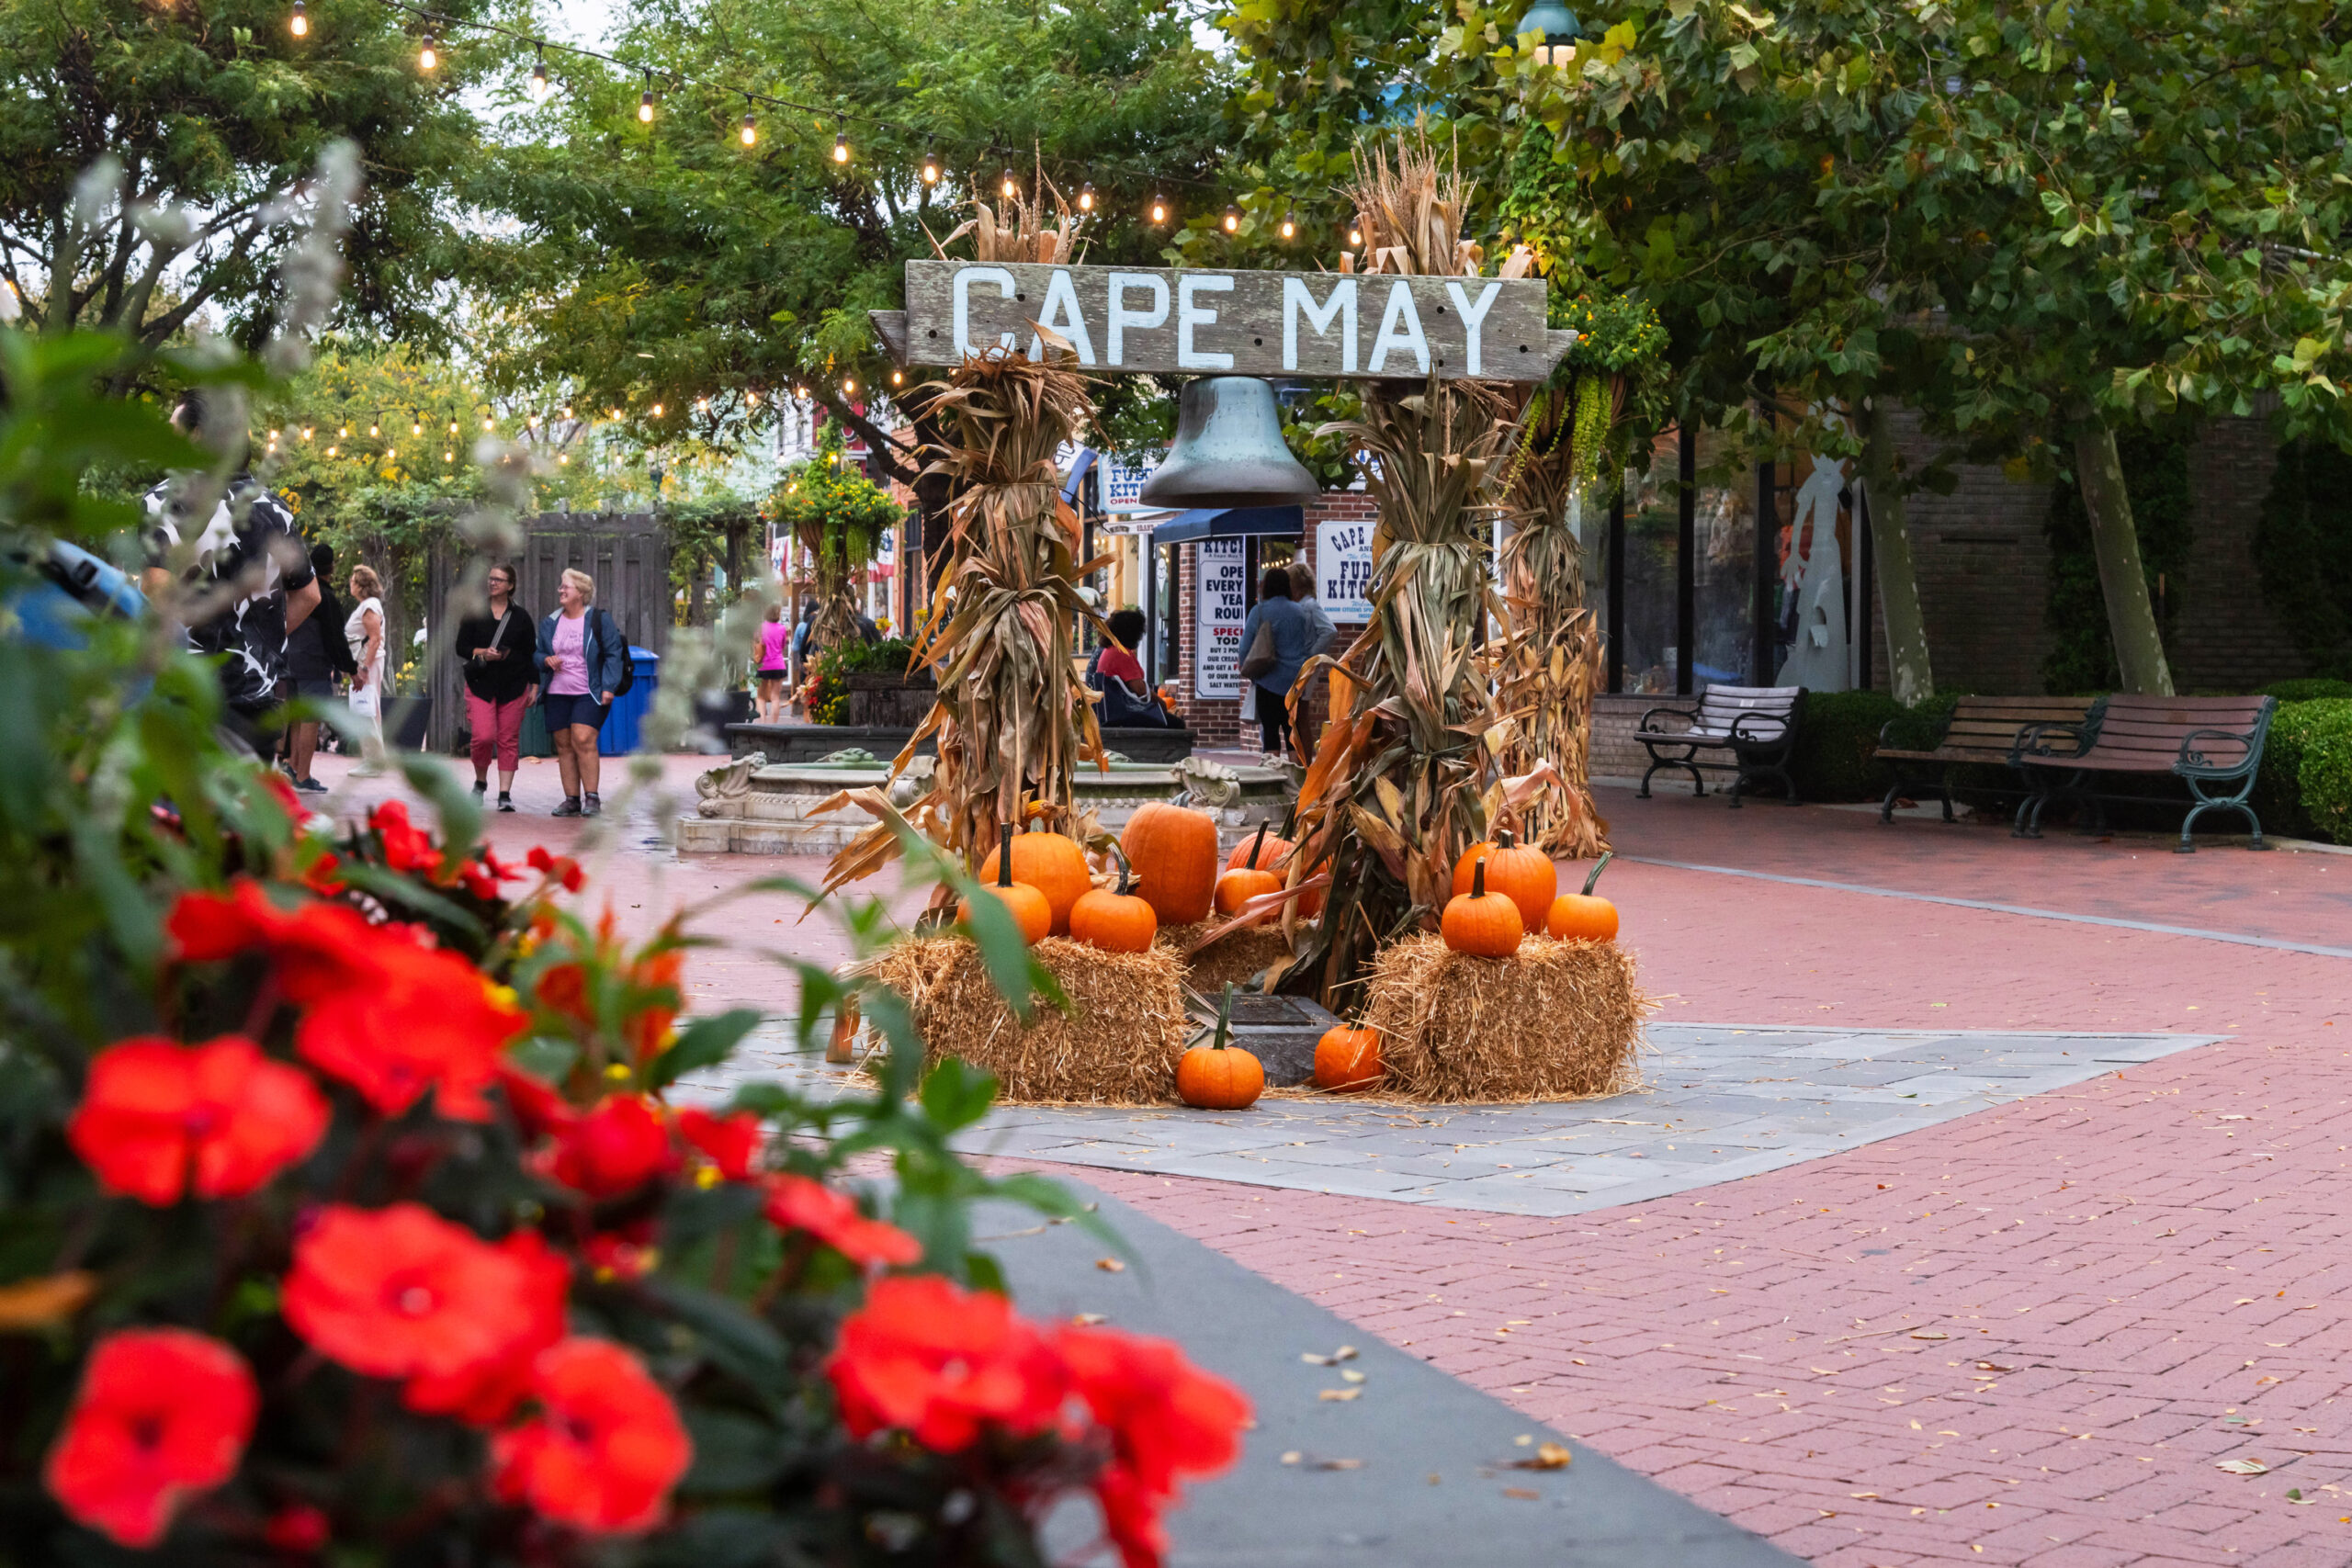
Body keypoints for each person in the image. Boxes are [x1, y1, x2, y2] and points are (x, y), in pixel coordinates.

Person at [140, 389, 320, 750]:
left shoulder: (163, 501)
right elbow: (309, 595)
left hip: (185, 695)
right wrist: (257, 640)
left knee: (183, 804)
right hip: (259, 701)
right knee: (247, 802)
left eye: (172, 428)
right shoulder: (274, 508)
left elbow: (157, 594)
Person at [536, 567, 628, 818]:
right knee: (564, 745)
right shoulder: (550, 622)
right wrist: (545, 660)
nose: (560, 590)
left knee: (583, 739)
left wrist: (609, 686)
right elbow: (537, 653)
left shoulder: (598, 619)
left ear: (581, 592)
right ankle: (571, 800)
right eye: (561, 586)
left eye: (566, 586)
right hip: (557, 691)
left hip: (591, 691)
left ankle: (592, 798)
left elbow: (613, 653)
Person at [455, 563, 536, 812]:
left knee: (508, 739)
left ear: (510, 585)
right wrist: (482, 653)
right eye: (490, 579)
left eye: (499, 580)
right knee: (483, 736)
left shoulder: (521, 617)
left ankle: (504, 794)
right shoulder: (474, 613)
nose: (492, 583)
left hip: (514, 685)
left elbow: (530, 653)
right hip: (481, 684)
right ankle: (480, 782)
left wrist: (534, 685)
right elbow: (461, 647)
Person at [281, 541, 356, 792]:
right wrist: (351, 668)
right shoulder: (326, 598)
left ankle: (291, 767)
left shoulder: (293, 593)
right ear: (331, 567)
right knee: (311, 721)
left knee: (296, 718)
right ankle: (303, 776)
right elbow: (335, 638)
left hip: (290, 661)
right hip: (313, 663)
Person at [1237, 566, 1315, 761]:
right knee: (1292, 733)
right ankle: (1296, 780)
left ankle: (1273, 779)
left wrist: (1249, 671)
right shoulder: (1300, 612)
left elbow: (1245, 649)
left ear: (1266, 587)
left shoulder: (1259, 611)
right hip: (1295, 682)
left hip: (1267, 681)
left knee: (1270, 734)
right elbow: (1307, 644)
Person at [1087, 607, 1172, 728]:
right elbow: (1140, 690)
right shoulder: (1122, 653)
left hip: (1110, 711)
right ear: (1131, 633)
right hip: (1125, 713)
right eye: (1140, 633)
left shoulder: (1110, 650)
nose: (1141, 637)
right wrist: (1161, 703)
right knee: (1177, 723)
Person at [344, 564, 389, 775]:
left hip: (368, 664)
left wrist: (363, 668)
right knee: (368, 709)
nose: (349, 584)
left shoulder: (369, 606)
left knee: (367, 710)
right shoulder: (368, 605)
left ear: (361, 585)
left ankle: (374, 762)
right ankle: (373, 759)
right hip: (367, 663)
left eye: (352, 581)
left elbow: (374, 639)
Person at [1287, 560, 1338, 658]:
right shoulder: (1303, 605)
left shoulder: (1309, 605)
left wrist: (1310, 656)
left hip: (1305, 668)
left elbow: (1330, 631)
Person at [753, 602, 789, 724]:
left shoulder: (760, 627)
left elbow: (755, 645)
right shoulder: (782, 628)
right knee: (775, 697)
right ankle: (774, 724)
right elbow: (783, 645)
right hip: (778, 665)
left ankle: (762, 721)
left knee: (761, 696)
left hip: (763, 665)